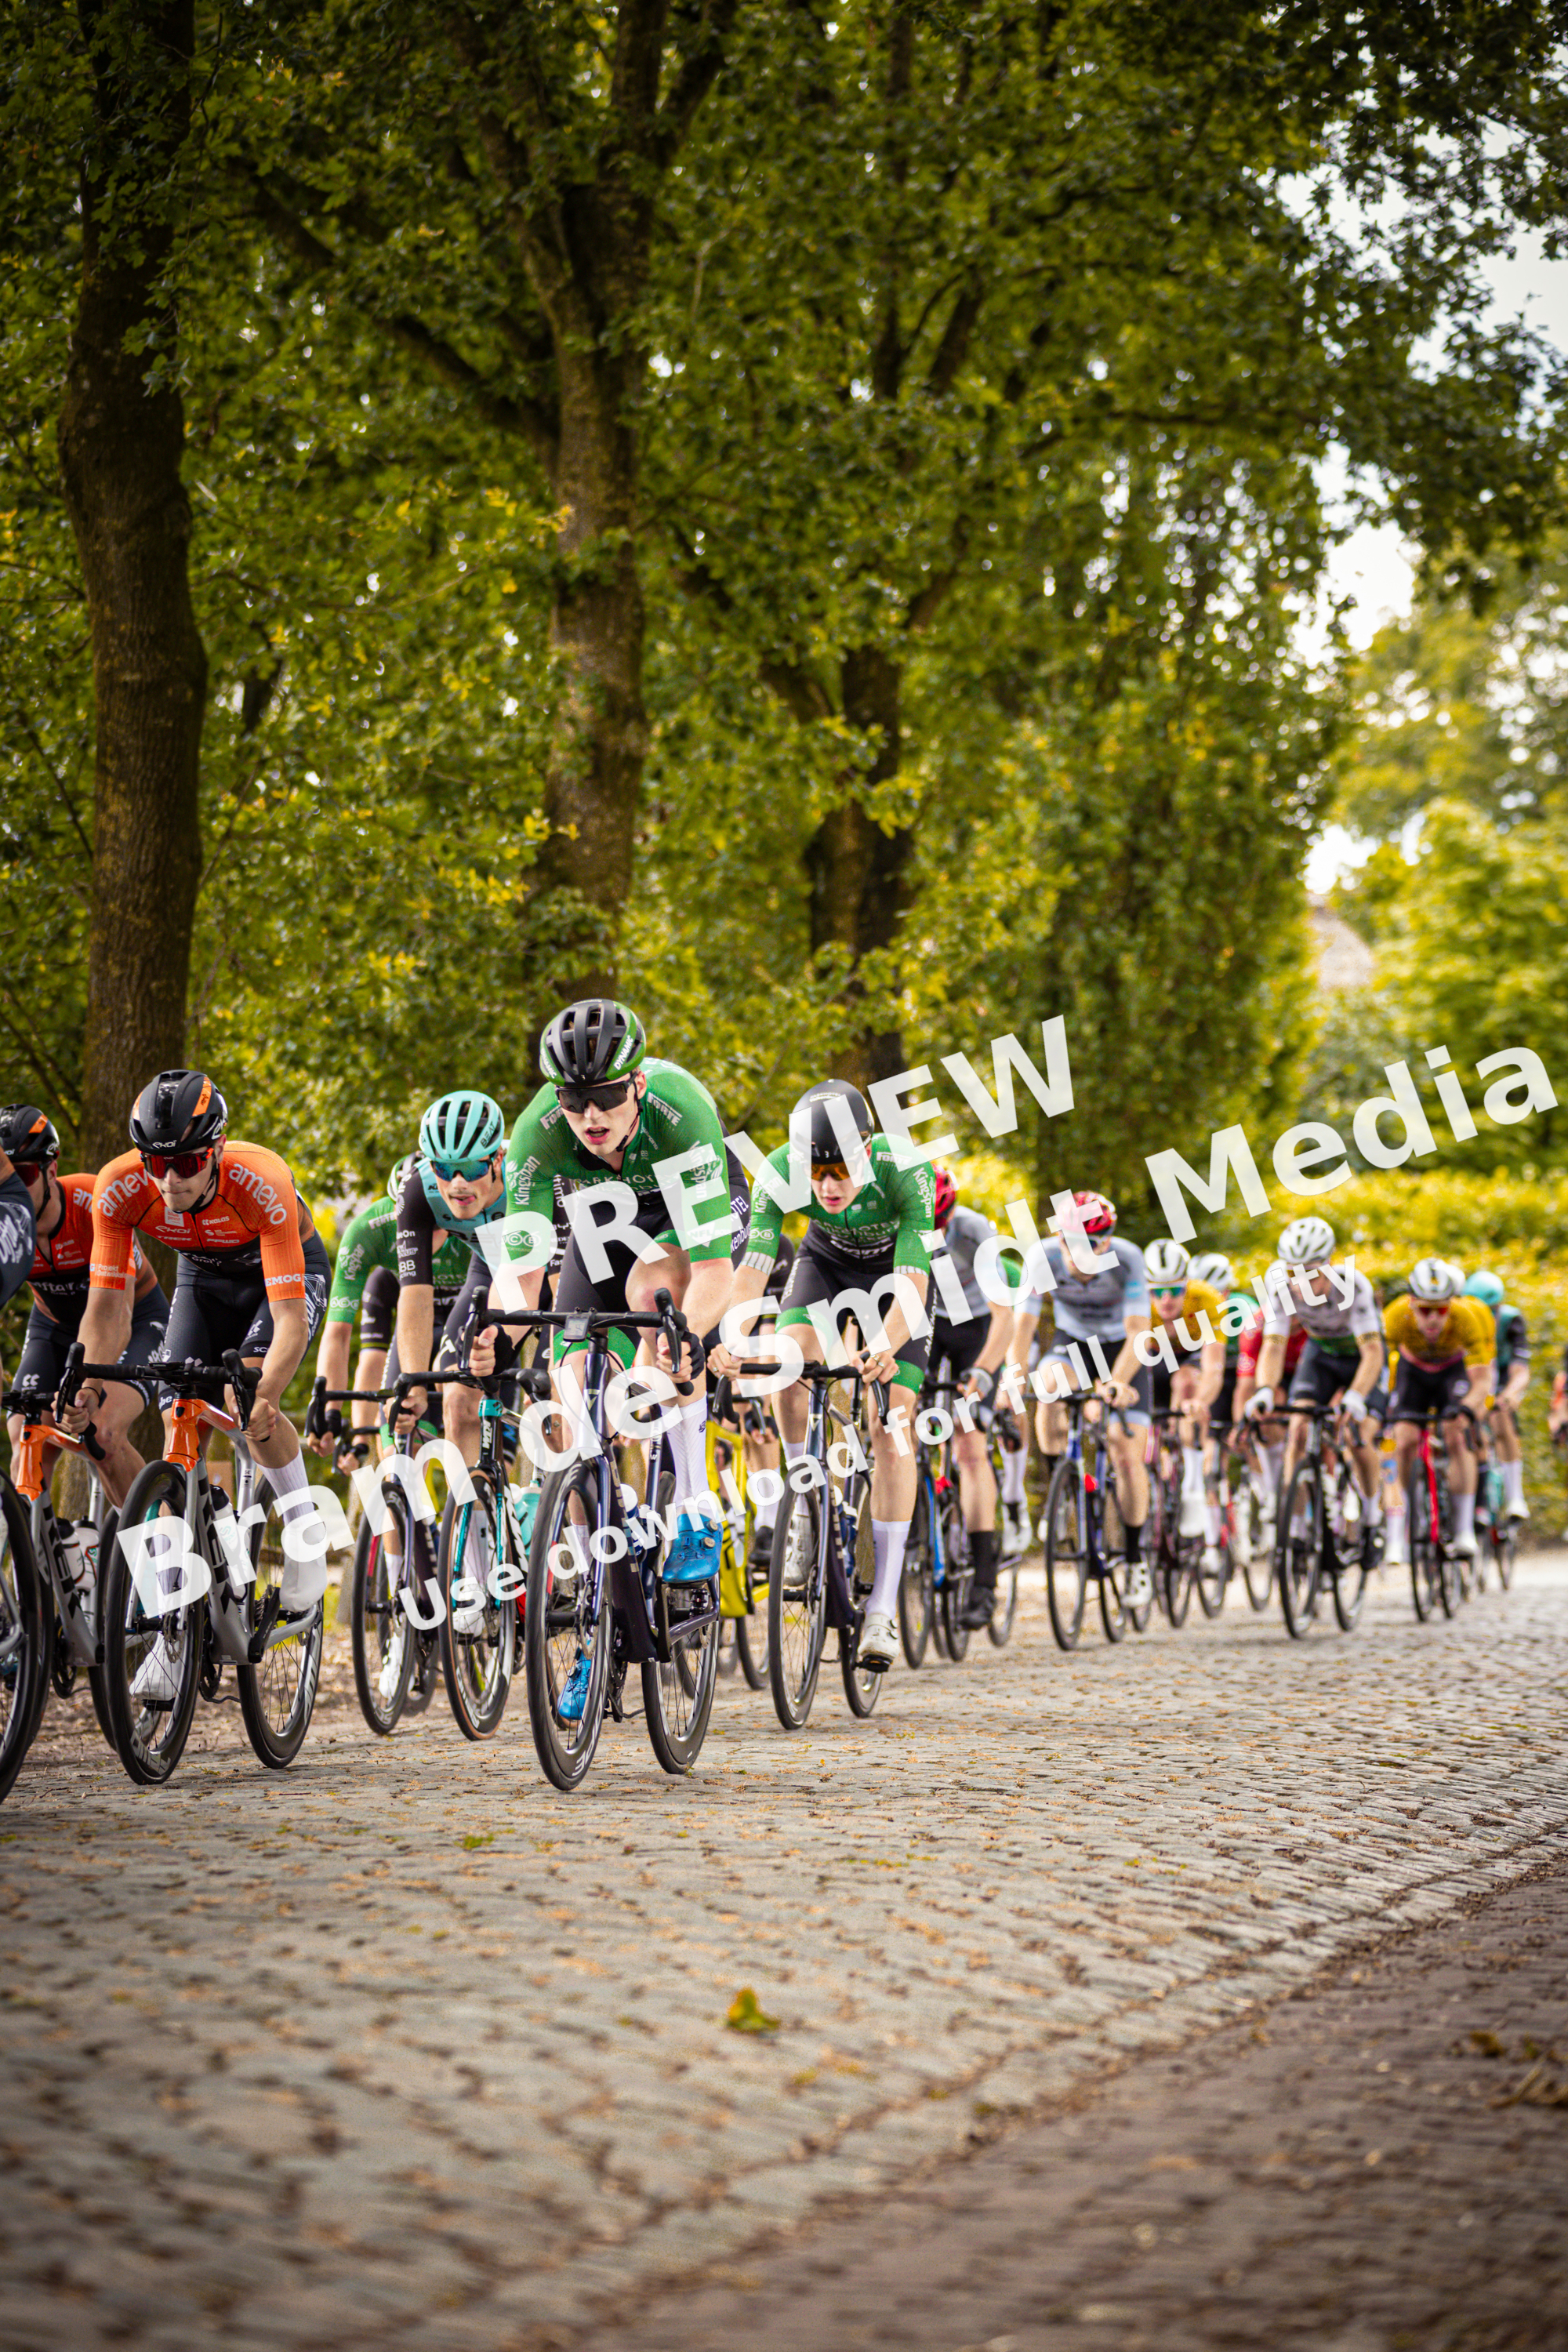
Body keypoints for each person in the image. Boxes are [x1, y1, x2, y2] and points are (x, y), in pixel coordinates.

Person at [475, 1000, 744, 1703]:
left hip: (686, 1221)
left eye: (605, 1098)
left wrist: (685, 1336)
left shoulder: (681, 1114)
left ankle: (695, 1509)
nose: (589, 1116)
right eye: (573, 1100)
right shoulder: (537, 1133)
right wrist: (493, 1336)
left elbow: (715, 1272)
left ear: (638, 1087)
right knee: (570, 1376)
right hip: (601, 1230)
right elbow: (523, 1273)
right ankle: (599, 1610)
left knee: (662, 1316)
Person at [70, 1070, 332, 1693]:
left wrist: (267, 1393)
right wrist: (87, 1387)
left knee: (251, 1405)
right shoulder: (118, 1188)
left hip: (279, 1279)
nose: (169, 1180)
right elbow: (106, 1310)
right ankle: (175, 1627)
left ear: (215, 1151)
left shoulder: (261, 1180)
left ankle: (305, 1531)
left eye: (186, 1163)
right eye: (156, 1163)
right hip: (202, 1280)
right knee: (177, 1418)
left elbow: (290, 1321)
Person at [716, 1079, 934, 1671]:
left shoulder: (905, 1169)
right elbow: (753, 1267)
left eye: (841, 1171)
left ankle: (882, 1605)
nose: (828, 1186)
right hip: (825, 1265)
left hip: (897, 1277)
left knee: (891, 1422)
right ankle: (806, 1504)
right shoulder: (779, 1171)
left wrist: (884, 1346)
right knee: (786, 1364)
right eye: (816, 1174)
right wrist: (733, 1335)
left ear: (866, 1148)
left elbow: (913, 1283)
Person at [0, 1105, 167, 1507]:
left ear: (51, 1171)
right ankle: (45, 1540)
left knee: (103, 1435)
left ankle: (159, 1539)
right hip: (54, 1327)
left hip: (135, 1319)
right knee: (26, 1437)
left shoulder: (93, 1202)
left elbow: (114, 1316)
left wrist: (86, 1383)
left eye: (25, 1174)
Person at [1007, 1191, 1153, 1606]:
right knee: (1047, 1385)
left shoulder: (1128, 1259)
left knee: (1126, 1452)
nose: (1078, 1254)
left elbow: (1139, 1332)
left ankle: (1135, 1558)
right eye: (1070, 1242)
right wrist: (1014, 1376)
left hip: (1121, 1348)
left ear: (1106, 1243)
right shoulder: (1043, 1258)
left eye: (1089, 1244)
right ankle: (1061, 1486)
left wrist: (1117, 1381)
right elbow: (1022, 1328)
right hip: (1074, 1343)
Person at [307, 1154, 474, 1469]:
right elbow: (346, 1339)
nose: (424, 1236)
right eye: (413, 1224)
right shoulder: (368, 1232)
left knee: (464, 1417)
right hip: (414, 1331)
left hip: (466, 1325)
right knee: (396, 1457)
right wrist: (331, 1411)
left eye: (435, 1223)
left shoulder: (469, 1225)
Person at [1247, 1216, 1386, 1544]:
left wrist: (1356, 1395)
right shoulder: (1279, 1283)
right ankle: (1294, 1528)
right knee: (1297, 1430)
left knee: (1358, 1435)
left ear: (1329, 1263)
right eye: (1293, 1273)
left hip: (1360, 1357)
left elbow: (1372, 1353)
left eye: (1311, 1273)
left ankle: (1371, 1517)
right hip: (1321, 1353)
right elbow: (1273, 1345)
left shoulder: (1353, 1285)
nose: (1301, 1283)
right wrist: (1265, 1390)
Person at [927, 1167, 1023, 1628]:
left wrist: (984, 1372)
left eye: (939, 1224)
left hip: (977, 1325)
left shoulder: (972, 1231)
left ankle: (985, 1580)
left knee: (969, 1443)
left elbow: (1005, 1318)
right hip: (928, 1321)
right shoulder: (895, 1225)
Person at [1381, 1258, 1495, 1564]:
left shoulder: (1466, 1317)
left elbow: (1482, 1380)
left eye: (1441, 1310)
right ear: (1411, 1303)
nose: (1433, 1319)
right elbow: (1377, 1364)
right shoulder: (1395, 1315)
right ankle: (1408, 1518)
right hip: (1413, 1373)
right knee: (1403, 1439)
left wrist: (1468, 1410)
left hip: (1451, 1374)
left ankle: (1463, 1528)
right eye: (1424, 1310)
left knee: (1456, 1434)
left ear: (1451, 1305)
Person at [1142, 1239, 1229, 1579]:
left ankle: (1192, 1486)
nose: (1166, 1300)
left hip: (1190, 1357)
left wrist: (1200, 1402)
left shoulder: (1206, 1299)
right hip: (1154, 1354)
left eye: (1175, 1290)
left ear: (1187, 1285)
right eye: (1157, 1292)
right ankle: (1155, 1473)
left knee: (1186, 1385)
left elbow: (1214, 1367)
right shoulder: (1136, 1302)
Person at [1465, 1269, 1531, 1523]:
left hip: (1502, 1377)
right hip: (1475, 1376)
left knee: (1501, 1417)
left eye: (1492, 1310)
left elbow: (1520, 1369)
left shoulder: (1511, 1320)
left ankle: (1515, 1497)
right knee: (1470, 1427)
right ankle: (1479, 1502)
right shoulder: (1462, 1320)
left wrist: (1510, 1394)